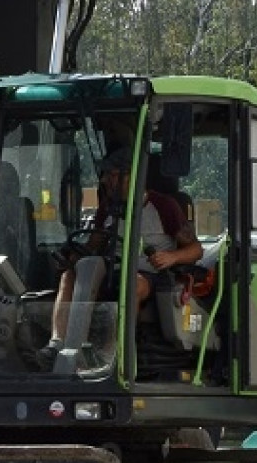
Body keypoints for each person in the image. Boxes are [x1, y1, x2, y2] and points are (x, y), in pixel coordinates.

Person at [47, 146, 204, 355]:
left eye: (114, 175)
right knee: (71, 274)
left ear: (135, 176)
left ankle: (113, 353)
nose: (106, 181)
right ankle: (58, 344)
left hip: (150, 274)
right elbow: (94, 244)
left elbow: (196, 250)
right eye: (107, 175)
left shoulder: (164, 206)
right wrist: (73, 257)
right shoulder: (107, 207)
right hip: (114, 268)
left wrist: (172, 257)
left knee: (132, 283)